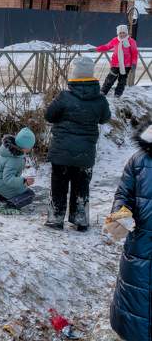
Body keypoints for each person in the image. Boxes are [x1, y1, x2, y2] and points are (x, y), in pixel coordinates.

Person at [44, 56, 111, 231]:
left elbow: (49, 116)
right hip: (85, 152)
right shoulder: (100, 99)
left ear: (75, 75)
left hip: (61, 151)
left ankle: (56, 219)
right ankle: (80, 220)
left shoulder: (64, 97)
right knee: (81, 186)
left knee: (58, 185)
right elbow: (105, 118)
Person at [108, 122, 152, 341]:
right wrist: (121, 214)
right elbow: (123, 194)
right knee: (144, 311)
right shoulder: (139, 161)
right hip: (142, 251)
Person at [0, 127, 36, 209]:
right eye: (31, 146)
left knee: (17, 189)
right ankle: (10, 206)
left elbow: (8, 168)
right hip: (2, 182)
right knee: (29, 194)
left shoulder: (10, 151)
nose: (31, 148)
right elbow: (8, 179)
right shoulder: (15, 159)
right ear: (26, 147)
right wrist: (24, 181)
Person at [96, 24, 138, 97]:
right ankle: (103, 91)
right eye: (120, 33)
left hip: (126, 65)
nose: (122, 34)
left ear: (126, 33)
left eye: (123, 33)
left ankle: (118, 94)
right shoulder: (115, 40)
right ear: (118, 33)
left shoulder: (131, 41)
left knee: (122, 80)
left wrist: (134, 64)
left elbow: (134, 53)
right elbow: (107, 46)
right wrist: (97, 49)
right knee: (110, 78)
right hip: (115, 64)